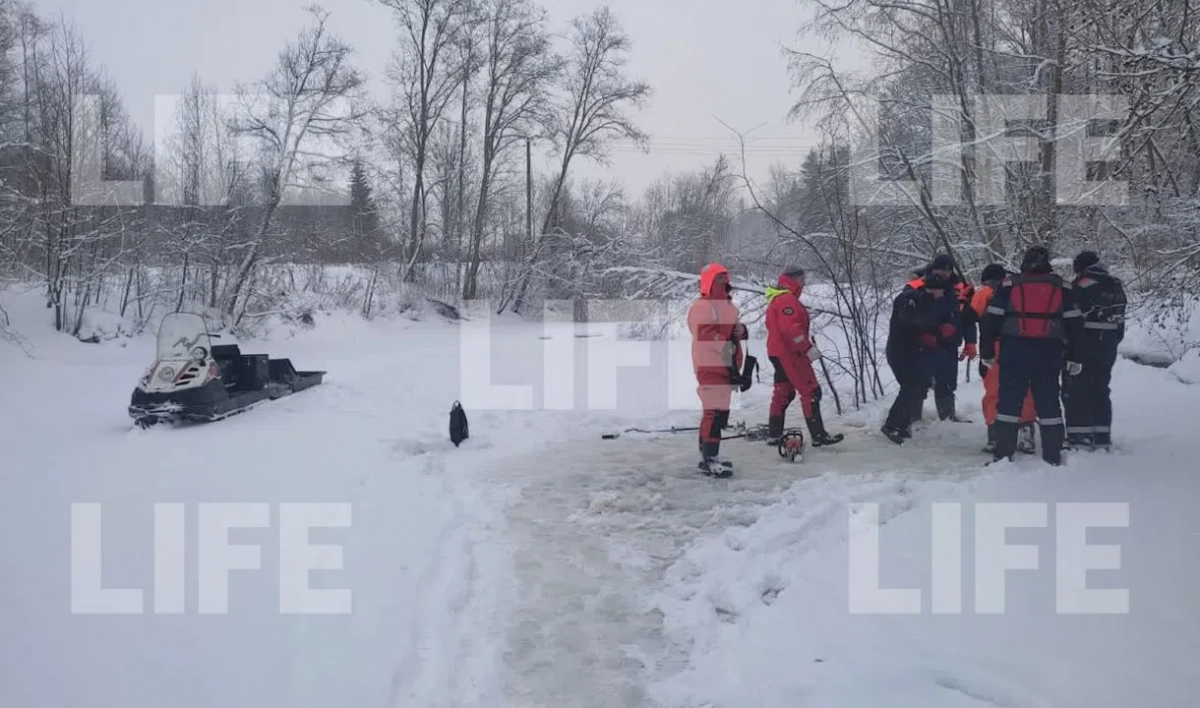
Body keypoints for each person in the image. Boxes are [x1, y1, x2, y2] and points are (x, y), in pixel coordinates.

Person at [979, 245, 1084, 465]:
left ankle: (1003, 456)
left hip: (1014, 351)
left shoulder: (1009, 285)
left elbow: (991, 320)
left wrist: (987, 351)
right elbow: (1075, 325)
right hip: (1049, 353)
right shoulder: (1062, 287)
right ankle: (1053, 457)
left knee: (1008, 405)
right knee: (1049, 405)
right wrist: (1075, 356)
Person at [764, 266, 844, 447]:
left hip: (777, 352)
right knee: (811, 391)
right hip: (791, 354)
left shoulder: (776, 298)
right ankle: (819, 435)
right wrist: (807, 348)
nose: (804, 283)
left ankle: (774, 434)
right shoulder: (786, 300)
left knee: (783, 391)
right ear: (792, 280)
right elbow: (791, 330)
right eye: (801, 279)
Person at [881, 272, 961, 443]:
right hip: (901, 352)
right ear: (932, 290)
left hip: (915, 352)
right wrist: (938, 330)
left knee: (917, 386)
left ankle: (903, 426)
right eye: (940, 292)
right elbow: (913, 320)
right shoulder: (910, 299)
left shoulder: (926, 302)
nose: (941, 296)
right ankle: (892, 425)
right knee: (911, 387)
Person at [687, 262, 749, 477]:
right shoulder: (702, 306)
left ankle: (708, 454)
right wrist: (728, 344)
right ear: (710, 281)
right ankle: (709, 460)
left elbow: (732, 331)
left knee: (720, 413)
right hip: (710, 365)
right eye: (719, 278)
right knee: (713, 412)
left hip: (726, 366)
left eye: (725, 277)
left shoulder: (727, 306)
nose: (724, 281)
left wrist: (741, 331)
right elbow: (705, 333)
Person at [970, 264, 1037, 454]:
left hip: (994, 346)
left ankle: (995, 435)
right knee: (1025, 389)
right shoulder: (1019, 290)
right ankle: (1026, 432)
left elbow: (969, 317)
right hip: (1022, 345)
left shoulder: (984, 293)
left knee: (994, 391)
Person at [1063, 250, 1127, 450]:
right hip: (1108, 345)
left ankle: (1080, 436)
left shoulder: (1081, 286)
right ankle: (1102, 434)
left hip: (1084, 344)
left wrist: (1069, 347)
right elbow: (1120, 320)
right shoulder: (1115, 286)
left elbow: (1071, 319)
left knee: (1076, 388)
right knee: (1100, 388)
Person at [904, 253, 976, 422]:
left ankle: (948, 418)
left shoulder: (960, 288)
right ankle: (914, 419)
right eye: (940, 269)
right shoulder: (916, 285)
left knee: (947, 383)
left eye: (948, 270)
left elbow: (967, 318)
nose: (944, 273)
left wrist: (971, 342)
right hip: (922, 344)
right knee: (919, 383)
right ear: (932, 269)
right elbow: (908, 312)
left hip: (949, 344)